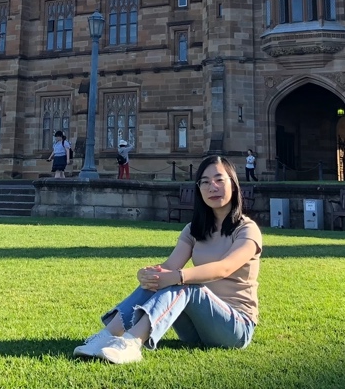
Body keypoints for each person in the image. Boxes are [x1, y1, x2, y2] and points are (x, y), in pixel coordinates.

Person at [73, 155, 262, 365]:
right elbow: (170, 266)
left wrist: (177, 277)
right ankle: (106, 336)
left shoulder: (247, 229)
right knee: (160, 278)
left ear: (233, 185)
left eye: (219, 180)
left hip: (235, 327)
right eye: (205, 182)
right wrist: (149, 274)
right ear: (199, 189)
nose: (212, 187)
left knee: (186, 284)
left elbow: (224, 268)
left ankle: (132, 343)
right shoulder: (194, 230)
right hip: (196, 330)